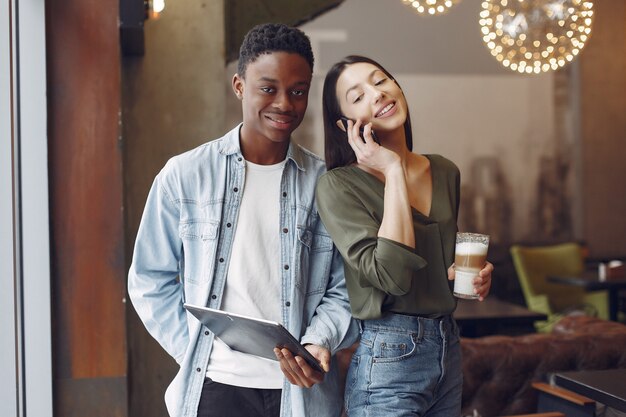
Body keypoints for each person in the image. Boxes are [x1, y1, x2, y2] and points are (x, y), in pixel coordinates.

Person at [128, 24, 357, 417]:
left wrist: (320, 341)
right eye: (268, 88)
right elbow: (149, 279)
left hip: (300, 395)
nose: (285, 103)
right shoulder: (184, 176)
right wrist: (198, 347)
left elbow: (346, 287)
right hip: (216, 390)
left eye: (298, 91)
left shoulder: (326, 184)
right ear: (239, 85)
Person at [315, 55, 494, 417]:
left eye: (380, 81)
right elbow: (393, 277)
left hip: (448, 345)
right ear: (345, 124)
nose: (377, 94)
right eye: (358, 96)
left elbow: (443, 265)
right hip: (389, 353)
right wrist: (393, 170)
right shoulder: (338, 185)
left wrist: (475, 276)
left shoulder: (444, 170)